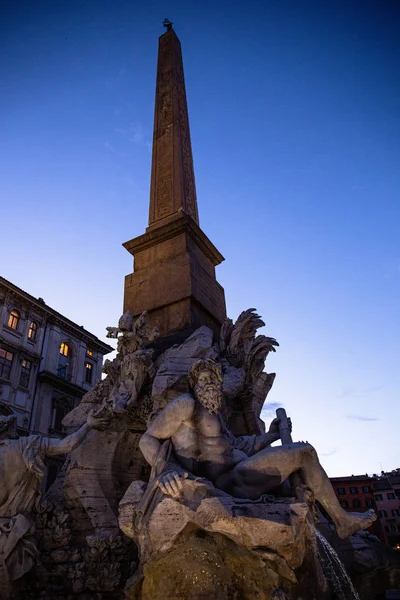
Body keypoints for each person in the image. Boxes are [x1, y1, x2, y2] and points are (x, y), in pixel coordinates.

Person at [139, 359, 376, 539]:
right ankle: (342, 521)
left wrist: (271, 435)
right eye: (203, 379)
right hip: (230, 482)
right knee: (305, 453)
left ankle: (329, 524)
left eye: (213, 379)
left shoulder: (215, 413)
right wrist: (165, 468)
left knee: (296, 483)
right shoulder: (185, 405)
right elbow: (148, 438)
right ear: (194, 384)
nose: (209, 383)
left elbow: (238, 445)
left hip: (240, 472)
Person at [0, 409, 109, 587]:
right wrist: (88, 425)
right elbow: (67, 445)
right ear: (10, 429)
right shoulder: (28, 446)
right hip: (17, 535)